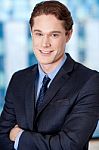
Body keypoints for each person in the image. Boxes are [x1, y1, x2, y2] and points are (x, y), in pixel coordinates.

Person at [0, 1, 99, 150]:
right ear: (31, 32)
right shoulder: (19, 79)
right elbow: (2, 137)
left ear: (68, 35)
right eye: (39, 34)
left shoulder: (89, 81)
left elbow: (69, 145)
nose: (45, 43)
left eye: (54, 35)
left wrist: (20, 137)